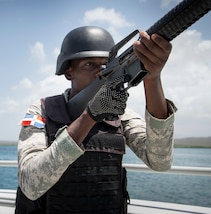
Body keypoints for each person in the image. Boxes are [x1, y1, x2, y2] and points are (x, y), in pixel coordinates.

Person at [15, 26, 177, 214]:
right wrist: (90, 117)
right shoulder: (43, 110)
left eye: (106, 65)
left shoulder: (120, 115)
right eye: (89, 64)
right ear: (69, 72)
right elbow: (30, 184)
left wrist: (152, 77)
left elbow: (160, 162)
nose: (100, 72)